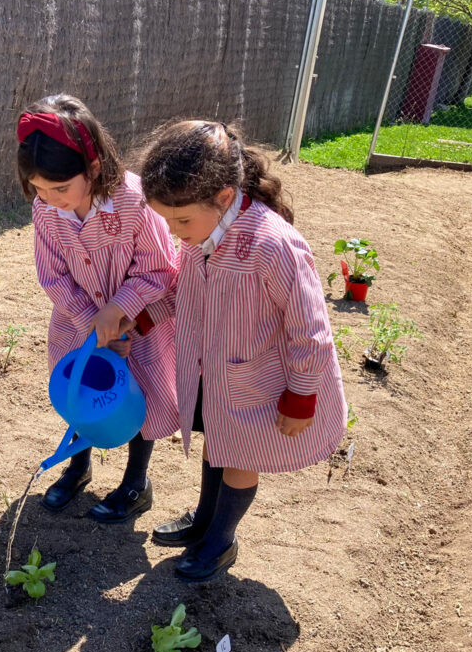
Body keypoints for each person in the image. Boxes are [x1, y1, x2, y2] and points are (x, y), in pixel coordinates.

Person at [139, 120, 347, 582]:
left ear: (225, 197)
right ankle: (204, 520)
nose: (175, 233)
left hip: (261, 382)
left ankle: (222, 539)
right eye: (167, 222)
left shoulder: (273, 245)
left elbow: (310, 331)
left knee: (240, 458)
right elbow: (186, 289)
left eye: (182, 221)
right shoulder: (202, 237)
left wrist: (301, 397)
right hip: (217, 371)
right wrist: (148, 315)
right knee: (220, 443)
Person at [17, 94, 179, 522]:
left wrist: (120, 312)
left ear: (92, 168)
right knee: (84, 391)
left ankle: (135, 482)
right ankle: (78, 466)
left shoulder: (134, 201)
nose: (50, 199)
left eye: (60, 187)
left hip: (142, 321)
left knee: (135, 397)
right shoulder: (47, 212)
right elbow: (53, 276)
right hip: (78, 323)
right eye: (38, 188)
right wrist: (93, 322)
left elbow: (160, 269)